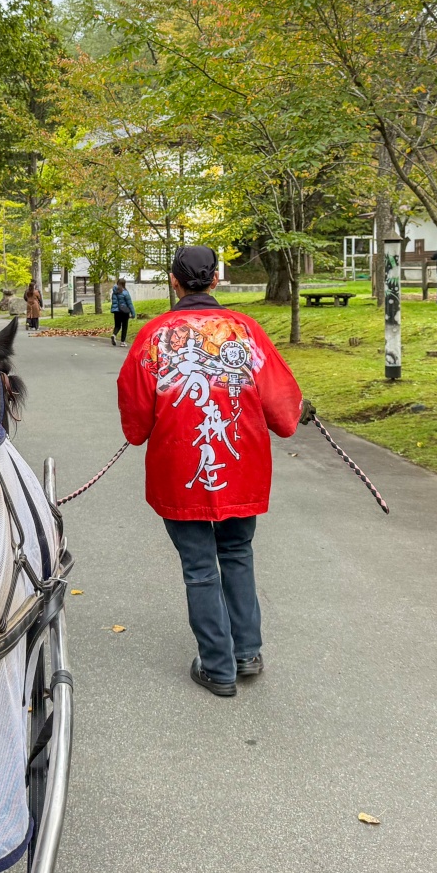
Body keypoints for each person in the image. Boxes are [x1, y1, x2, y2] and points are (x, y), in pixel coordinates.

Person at [116, 245, 313, 698]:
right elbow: (284, 412)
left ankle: (217, 664)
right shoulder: (245, 332)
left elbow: (136, 424)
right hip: (239, 465)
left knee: (200, 567)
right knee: (238, 554)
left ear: (174, 280)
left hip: (180, 467)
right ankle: (246, 651)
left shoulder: (153, 337)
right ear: (216, 279)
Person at [109, 277, 135, 346]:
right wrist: (133, 313)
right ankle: (122, 342)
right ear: (124, 284)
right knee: (124, 326)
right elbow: (129, 303)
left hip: (116, 311)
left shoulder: (114, 292)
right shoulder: (125, 293)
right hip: (124, 311)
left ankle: (114, 335)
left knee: (117, 325)